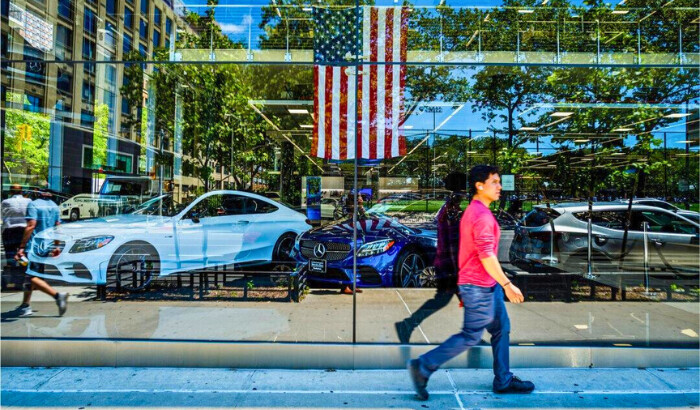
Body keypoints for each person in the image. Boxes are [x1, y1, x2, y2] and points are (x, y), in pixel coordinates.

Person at [407, 165, 534, 400]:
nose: (499, 186)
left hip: (484, 285)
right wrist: (507, 284)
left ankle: (503, 379)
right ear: (479, 185)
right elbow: (486, 255)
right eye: (494, 182)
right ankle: (423, 367)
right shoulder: (481, 217)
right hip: (480, 286)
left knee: (501, 329)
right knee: (470, 336)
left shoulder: (474, 211)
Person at [395, 172, 465, 343]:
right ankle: (473, 333)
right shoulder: (452, 211)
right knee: (454, 300)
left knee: (445, 300)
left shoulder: (448, 208)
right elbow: (453, 240)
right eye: (463, 192)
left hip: (448, 264)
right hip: (451, 265)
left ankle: (408, 324)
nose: (464, 196)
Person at [13, 189, 69, 317]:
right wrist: (56, 246)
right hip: (45, 246)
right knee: (32, 276)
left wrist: (21, 246)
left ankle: (58, 296)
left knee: (31, 277)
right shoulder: (54, 206)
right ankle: (25, 305)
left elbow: (31, 225)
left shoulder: (33, 205)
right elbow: (57, 226)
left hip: (33, 246)